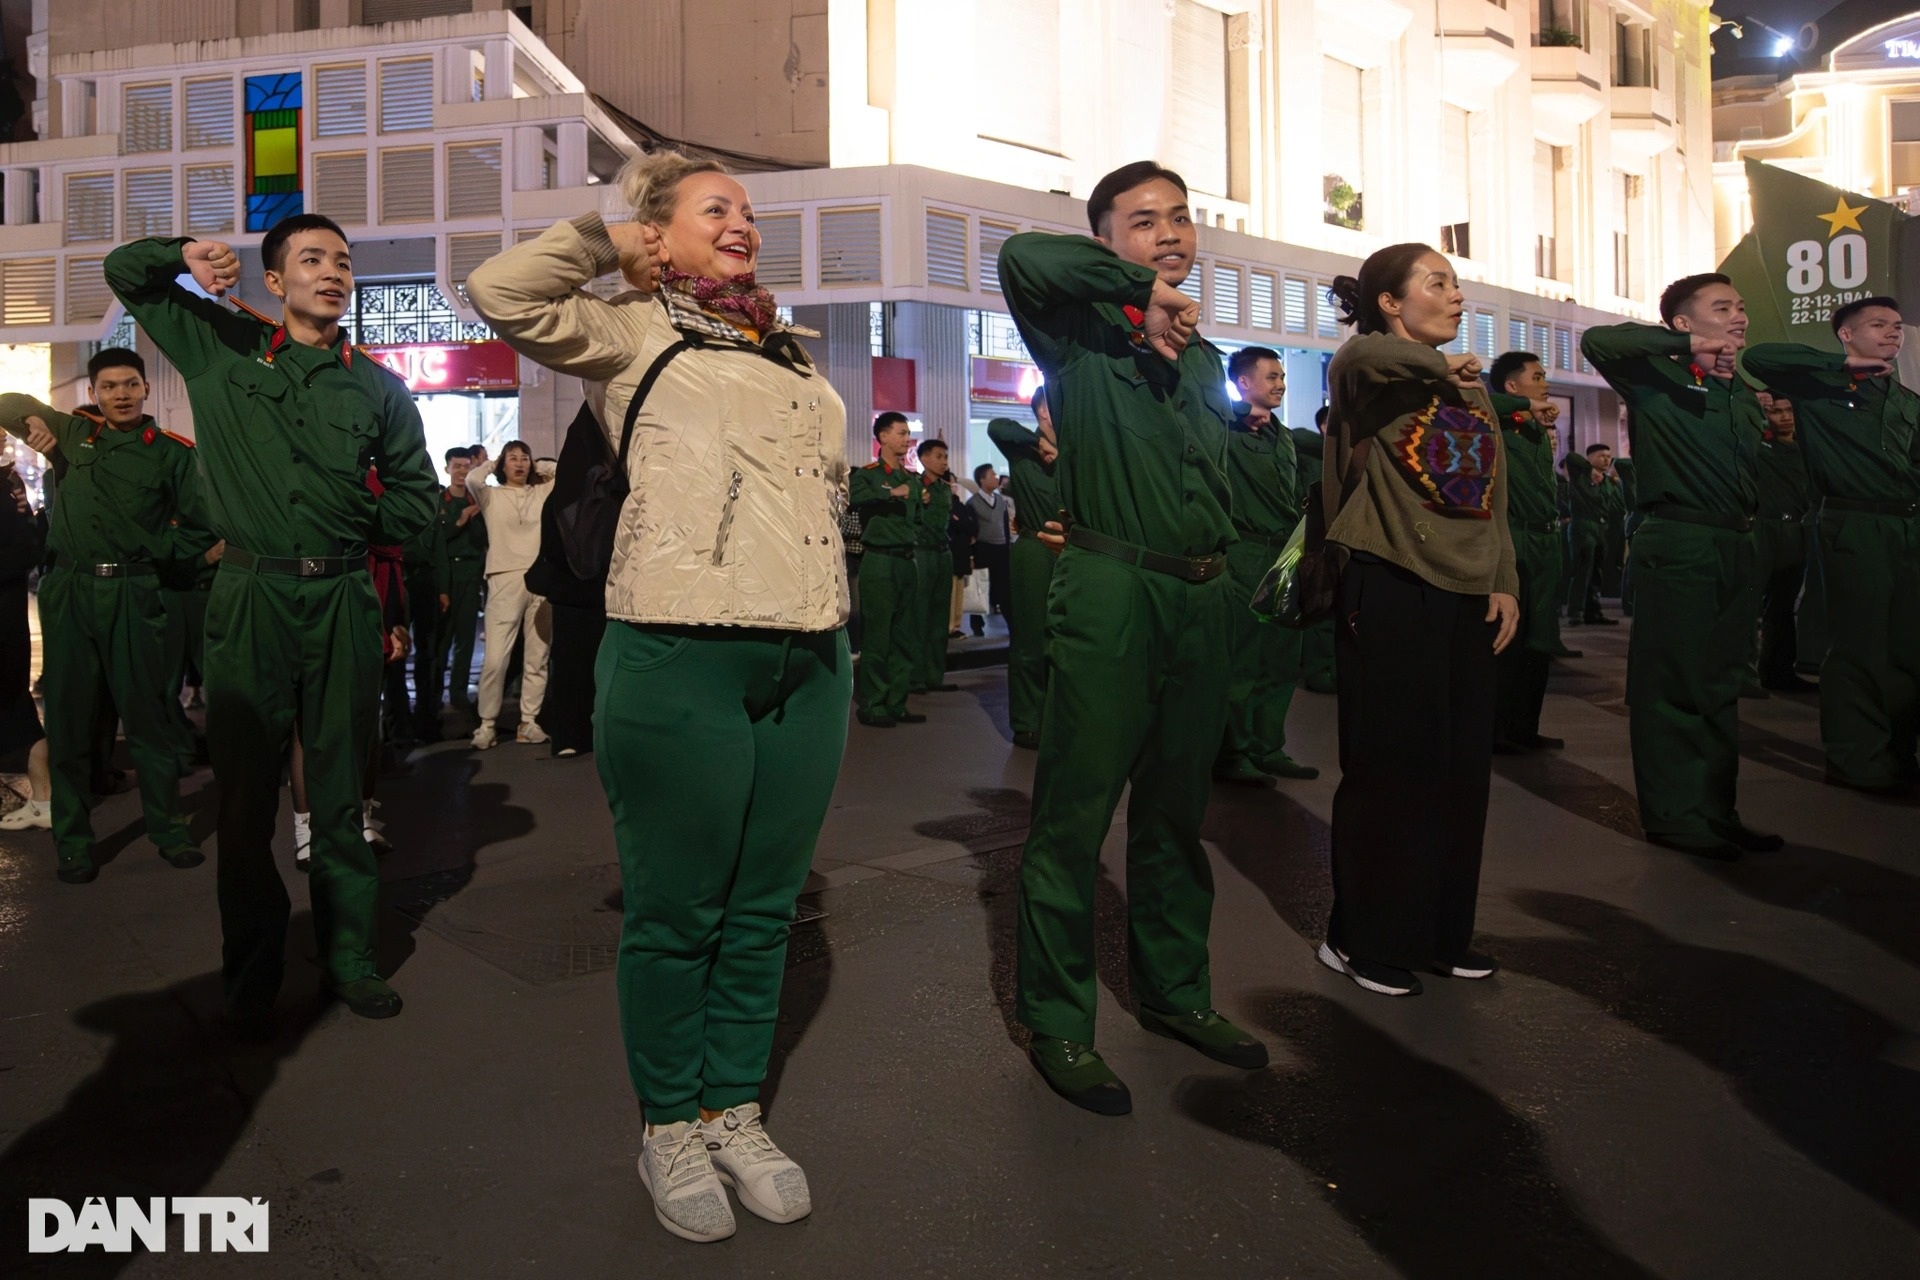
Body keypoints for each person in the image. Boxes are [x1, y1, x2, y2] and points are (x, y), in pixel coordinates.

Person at [467, 149, 849, 1244]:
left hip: (810, 656)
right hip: (678, 645)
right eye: (716, 209)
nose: (745, 225)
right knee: (678, 914)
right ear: (658, 234)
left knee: (765, 909)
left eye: (750, 211)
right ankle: (667, 1124)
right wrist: (602, 240)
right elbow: (500, 293)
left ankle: (734, 1107)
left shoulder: (786, 347)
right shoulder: (629, 331)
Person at [105, 215, 436, 1026]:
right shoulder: (219, 343)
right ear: (277, 282)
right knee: (247, 800)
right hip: (250, 595)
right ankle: (251, 976)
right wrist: (182, 254)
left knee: (339, 793)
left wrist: (351, 525)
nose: (332, 272)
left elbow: (419, 500)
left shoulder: (378, 388)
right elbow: (126, 274)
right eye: (311, 260)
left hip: (341, 598)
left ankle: (350, 957)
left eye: (343, 262)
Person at [1000, 160, 1267, 1117]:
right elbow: (1024, 255)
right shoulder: (1075, 337)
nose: (1172, 235)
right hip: (1113, 585)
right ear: (1107, 240)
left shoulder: (1200, 355)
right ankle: (1060, 1022)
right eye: (1144, 221)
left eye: (1182, 221)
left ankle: (1175, 994)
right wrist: (1132, 294)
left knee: (1174, 814)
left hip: (1202, 595)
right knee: (1074, 818)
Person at [1315, 243, 1520, 998]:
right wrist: (1447, 369)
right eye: (1438, 283)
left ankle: (1441, 935)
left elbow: (1491, 494)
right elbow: (1364, 354)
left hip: (1469, 594)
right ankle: (1359, 938)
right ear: (1393, 303)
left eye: (1458, 283)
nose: (1457, 295)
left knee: (1459, 774)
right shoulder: (1367, 372)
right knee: (1389, 772)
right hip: (1390, 584)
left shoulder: (1470, 387)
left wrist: (1503, 580)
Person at [0, 349, 216, 883]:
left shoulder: (171, 454)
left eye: (131, 385)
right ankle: (72, 840)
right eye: (110, 386)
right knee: (70, 722)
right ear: (93, 393)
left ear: (146, 390)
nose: (121, 394)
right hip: (71, 590)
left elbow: (197, 527)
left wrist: (155, 548)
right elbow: (5, 402)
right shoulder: (72, 434)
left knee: (149, 718)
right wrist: (30, 423)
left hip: (135, 591)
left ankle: (168, 829)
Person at [1582, 273, 1777, 860]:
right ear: (1685, 323)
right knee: (1673, 683)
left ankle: (1716, 811)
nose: (1739, 316)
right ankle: (1674, 815)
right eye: (1722, 307)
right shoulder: (1655, 376)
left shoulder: (1740, 391)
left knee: (1721, 683)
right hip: (1681, 539)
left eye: (1741, 306)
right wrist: (1683, 349)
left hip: (1734, 542)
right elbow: (1599, 341)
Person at [1744, 297, 1920, 794]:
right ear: (1846, 335)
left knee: (1908, 648)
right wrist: (1840, 366)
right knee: (1860, 647)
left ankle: (1898, 753)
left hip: (1908, 526)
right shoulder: (1819, 386)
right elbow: (1758, 359)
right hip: (1854, 523)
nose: (1892, 333)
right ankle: (1856, 761)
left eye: (1896, 326)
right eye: (1877, 325)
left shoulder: (1904, 399)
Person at [1215, 345, 1316, 786]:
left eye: (1281, 376)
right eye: (1271, 376)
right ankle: (1233, 753)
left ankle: (1267, 746)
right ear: (1242, 383)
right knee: (1242, 662)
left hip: (1286, 552)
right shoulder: (1226, 429)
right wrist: (1236, 413)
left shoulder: (1286, 436)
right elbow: (1197, 407)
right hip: (1245, 553)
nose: (1280, 383)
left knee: (1280, 659)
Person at [1487, 351, 1568, 754]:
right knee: (1510, 643)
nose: (1545, 384)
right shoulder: (1497, 424)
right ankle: (1498, 731)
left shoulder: (1535, 431)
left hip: (1545, 544)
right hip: (1515, 541)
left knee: (1540, 642)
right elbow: (1480, 400)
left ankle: (1525, 727)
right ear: (1512, 387)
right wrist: (1526, 406)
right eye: (1536, 377)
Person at [467, 440, 555, 750]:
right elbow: (472, 479)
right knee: (495, 660)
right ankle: (487, 724)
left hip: (541, 580)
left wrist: (539, 466)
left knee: (538, 656)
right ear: (503, 464)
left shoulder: (541, 491)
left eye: (524, 458)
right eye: (513, 459)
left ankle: (528, 721)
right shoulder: (491, 496)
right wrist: (492, 463)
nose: (519, 463)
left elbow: (561, 473)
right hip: (504, 578)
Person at [988, 389, 1059, 750]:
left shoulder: (1079, 448)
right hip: (1035, 548)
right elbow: (998, 426)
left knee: (1069, 642)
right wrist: (1038, 444)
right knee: (1031, 638)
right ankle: (1029, 720)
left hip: (1074, 551)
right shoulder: (1021, 448)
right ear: (1044, 409)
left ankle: (1060, 716)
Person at [850, 413, 925, 728]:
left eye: (908, 433)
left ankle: (897, 701)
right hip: (879, 561)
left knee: (903, 636)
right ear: (882, 437)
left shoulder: (911, 478)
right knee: (878, 636)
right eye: (900, 432)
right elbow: (854, 499)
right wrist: (889, 494)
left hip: (907, 561)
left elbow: (917, 518)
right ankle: (873, 703)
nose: (906, 438)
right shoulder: (866, 474)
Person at [1746, 392, 1814, 694]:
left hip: (1795, 529)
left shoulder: (1807, 449)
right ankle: (1740, 674)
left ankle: (1779, 670)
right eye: (1776, 411)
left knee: (1783, 607)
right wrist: (1755, 407)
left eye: (1789, 410)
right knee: (1747, 605)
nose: (1784, 416)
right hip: (1762, 526)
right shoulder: (1759, 446)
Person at [0, 462, 52, 833]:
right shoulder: (9, 482)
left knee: (16, 705)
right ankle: (44, 799)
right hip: (9, 614)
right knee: (16, 707)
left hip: (5, 618)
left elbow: (24, 547)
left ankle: (46, 799)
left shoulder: (7, 484)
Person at [423, 446, 486, 730]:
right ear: (447, 468)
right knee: (442, 640)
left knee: (466, 639)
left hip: (472, 574)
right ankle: (433, 697)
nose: (462, 471)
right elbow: (436, 540)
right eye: (457, 466)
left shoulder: (480, 500)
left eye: (466, 466)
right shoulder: (439, 502)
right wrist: (461, 521)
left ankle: (459, 694)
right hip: (446, 575)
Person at [1293, 407, 1338, 694]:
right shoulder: (1309, 448)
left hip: (1334, 538)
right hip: (1314, 540)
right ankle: (1320, 671)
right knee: (1318, 604)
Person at [911, 438, 960, 693]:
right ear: (924, 458)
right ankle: (916, 676)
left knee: (941, 617)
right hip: (922, 552)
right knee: (920, 616)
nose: (944, 462)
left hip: (943, 553)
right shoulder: (915, 486)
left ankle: (934, 676)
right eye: (939, 456)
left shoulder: (944, 489)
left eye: (946, 457)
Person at [1563, 443, 1622, 626]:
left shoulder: (1608, 482)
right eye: (1602, 455)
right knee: (1582, 571)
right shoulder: (1579, 476)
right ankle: (1576, 612)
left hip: (1602, 530)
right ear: (1590, 458)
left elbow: (1617, 507)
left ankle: (1593, 612)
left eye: (1609, 456)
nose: (1607, 459)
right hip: (1583, 527)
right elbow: (1571, 457)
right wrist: (1590, 470)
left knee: (1597, 574)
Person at [967, 461, 1012, 623]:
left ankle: (1011, 624)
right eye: (992, 475)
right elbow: (971, 531)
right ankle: (977, 623)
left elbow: (1005, 525)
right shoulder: (972, 503)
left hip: (1001, 549)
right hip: (983, 549)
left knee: (1005, 588)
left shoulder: (1000, 501)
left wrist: (1007, 545)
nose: (996, 477)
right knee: (981, 586)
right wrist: (971, 555)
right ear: (982, 479)